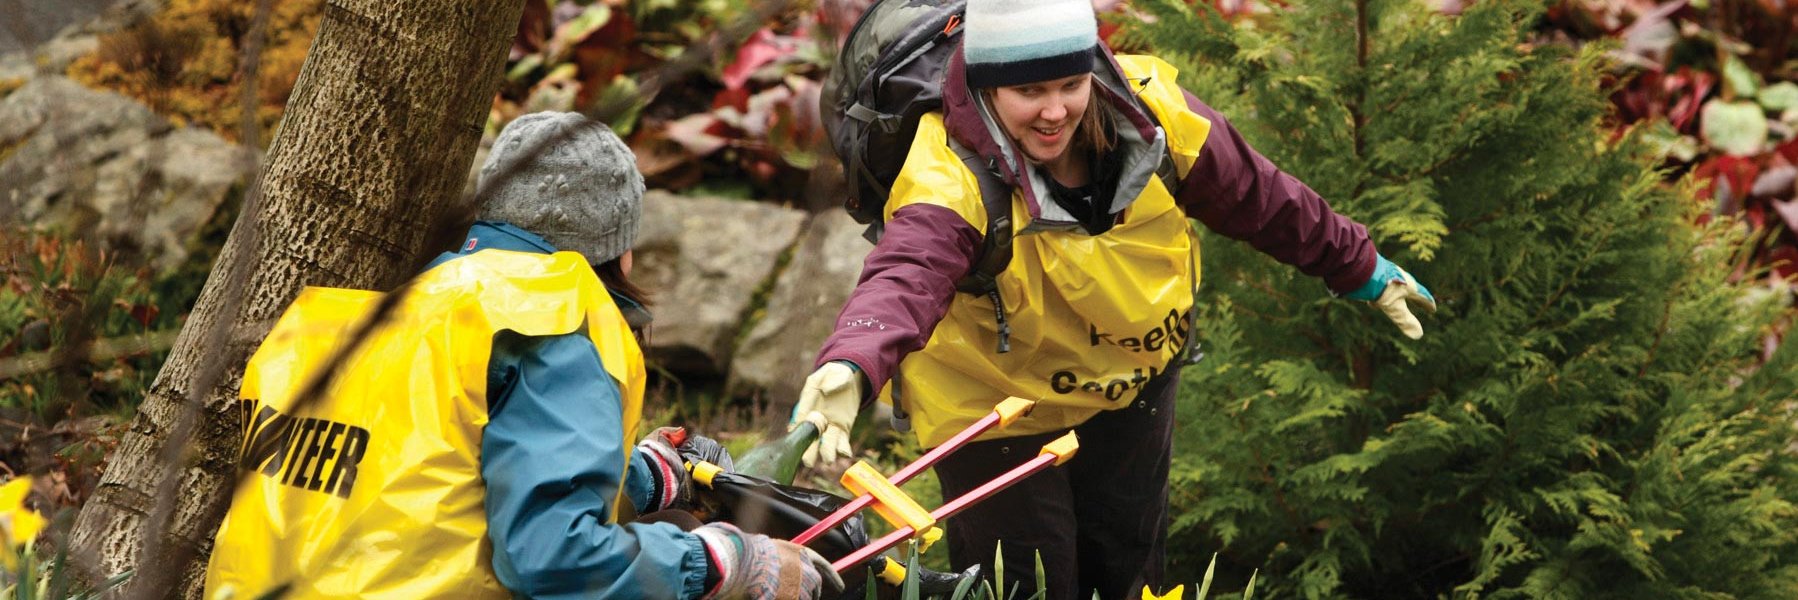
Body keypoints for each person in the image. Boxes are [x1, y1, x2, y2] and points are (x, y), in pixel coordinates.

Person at [791, 1, 1437, 598]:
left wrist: (1362, 265)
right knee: (1026, 580)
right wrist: (850, 362)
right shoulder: (947, 173)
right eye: (1029, 91)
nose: (1054, 112)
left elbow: (1261, 196)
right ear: (986, 86)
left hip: (1129, 386)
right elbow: (907, 271)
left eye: (1069, 84)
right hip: (992, 409)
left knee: (1128, 571)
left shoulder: (1154, 116)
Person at [206, 112, 837, 599]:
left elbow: (428, 481)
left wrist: (635, 476)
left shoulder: (390, 313)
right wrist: (721, 563)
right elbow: (553, 560)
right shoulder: (552, 320)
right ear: (616, 248)